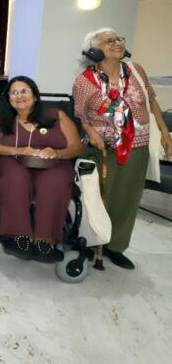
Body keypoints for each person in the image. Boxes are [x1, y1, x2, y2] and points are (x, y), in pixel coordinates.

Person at [72, 28, 172, 269]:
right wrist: (91, 131)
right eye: (108, 41)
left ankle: (115, 247)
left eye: (118, 39)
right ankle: (88, 243)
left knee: (126, 199)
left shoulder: (136, 71)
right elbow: (80, 116)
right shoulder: (85, 80)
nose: (116, 43)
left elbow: (151, 100)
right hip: (102, 148)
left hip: (137, 147)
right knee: (95, 199)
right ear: (94, 50)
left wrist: (164, 132)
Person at [0, 76, 83, 261]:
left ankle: (46, 240)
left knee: (54, 181)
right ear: (9, 99)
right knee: (15, 177)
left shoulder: (57, 116)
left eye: (25, 91)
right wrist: (17, 150)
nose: (19, 95)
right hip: (13, 160)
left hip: (55, 163)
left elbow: (76, 147)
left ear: (35, 96)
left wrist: (57, 153)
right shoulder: (2, 120)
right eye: (14, 92)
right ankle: (20, 237)